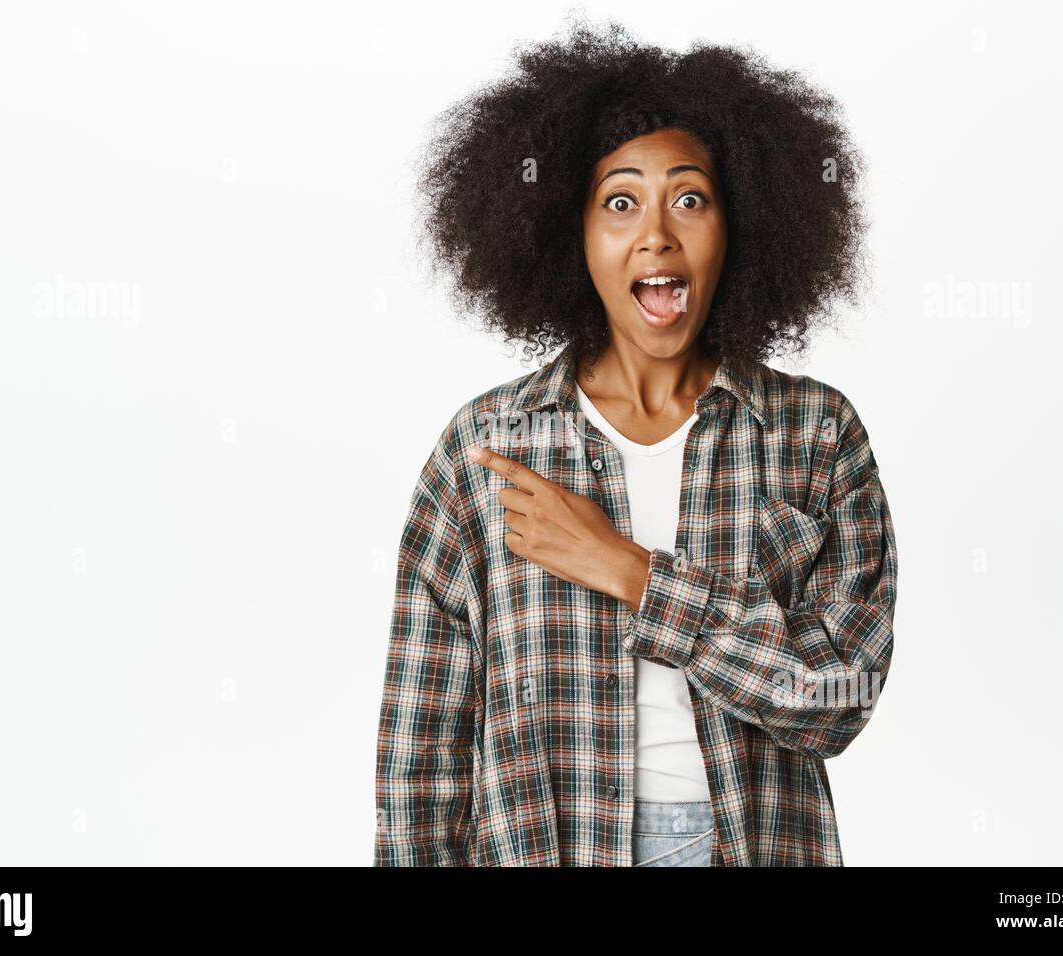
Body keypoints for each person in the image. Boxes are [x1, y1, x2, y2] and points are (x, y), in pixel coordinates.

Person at [374, 17, 897, 867]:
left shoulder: (815, 435)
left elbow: (836, 698)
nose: (657, 234)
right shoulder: (486, 450)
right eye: (620, 202)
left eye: (690, 198)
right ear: (567, 232)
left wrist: (627, 570)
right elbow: (420, 757)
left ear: (743, 225)